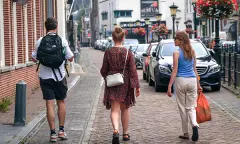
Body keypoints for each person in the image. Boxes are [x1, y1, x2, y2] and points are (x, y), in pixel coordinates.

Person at [32, 17, 74, 142]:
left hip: (45, 76)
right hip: (59, 76)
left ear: (46, 27)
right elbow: (70, 57)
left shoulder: (40, 41)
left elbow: (34, 58)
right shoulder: (62, 40)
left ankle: (52, 134)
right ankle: (61, 131)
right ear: (56, 27)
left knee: (49, 104)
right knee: (61, 102)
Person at [100, 26, 140, 144]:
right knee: (125, 109)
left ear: (113, 38)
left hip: (112, 83)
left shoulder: (108, 52)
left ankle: (116, 130)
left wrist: (107, 76)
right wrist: (136, 86)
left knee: (114, 110)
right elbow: (133, 71)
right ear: (123, 38)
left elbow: (103, 70)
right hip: (125, 83)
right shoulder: (128, 53)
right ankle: (125, 133)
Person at [167, 31, 202, 142]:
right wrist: (198, 84)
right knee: (191, 107)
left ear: (181, 40)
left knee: (183, 108)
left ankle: (186, 133)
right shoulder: (192, 51)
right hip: (192, 80)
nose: (174, 40)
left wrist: (169, 86)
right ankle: (194, 124)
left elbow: (175, 71)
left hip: (180, 80)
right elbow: (195, 70)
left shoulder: (176, 53)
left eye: (176, 38)